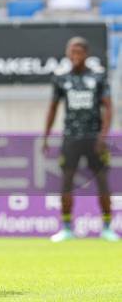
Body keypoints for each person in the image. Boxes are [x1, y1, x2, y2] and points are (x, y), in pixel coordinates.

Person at [43, 37, 118, 243]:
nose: (75, 56)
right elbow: (53, 108)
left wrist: (103, 135)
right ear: (68, 53)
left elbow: (109, 107)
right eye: (72, 52)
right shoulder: (61, 78)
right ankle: (66, 228)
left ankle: (107, 228)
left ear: (85, 54)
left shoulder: (98, 76)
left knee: (102, 181)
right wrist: (46, 136)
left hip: (94, 138)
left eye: (79, 52)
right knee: (67, 182)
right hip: (71, 137)